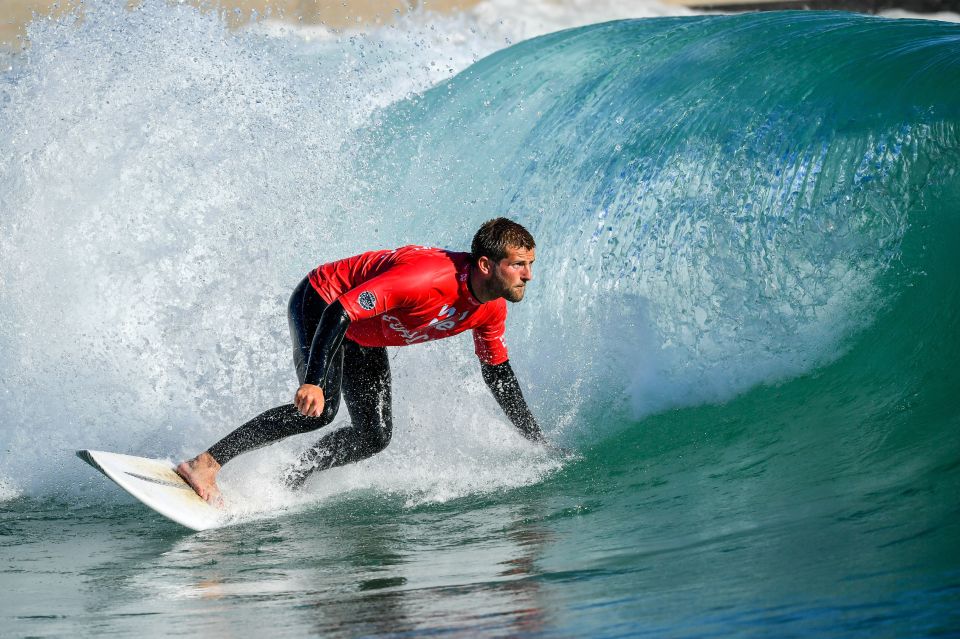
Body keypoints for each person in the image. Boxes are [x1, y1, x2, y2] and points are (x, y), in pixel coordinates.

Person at [176, 217, 545, 504]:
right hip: (324, 303)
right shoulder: (424, 278)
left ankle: (292, 478)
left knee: (374, 436)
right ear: (486, 265)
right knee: (319, 410)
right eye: (518, 265)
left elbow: (498, 374)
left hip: (364, 331)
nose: (528, 274)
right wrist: (313, 381)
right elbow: (339, 311)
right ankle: (204, 464)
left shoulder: (491, 309)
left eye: (529, 264)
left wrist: (535, 440)